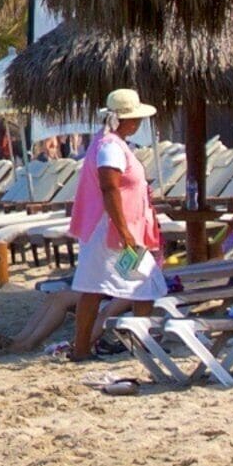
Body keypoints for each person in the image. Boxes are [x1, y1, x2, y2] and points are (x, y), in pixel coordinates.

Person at [66, 89, 170, 363]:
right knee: (137, 282)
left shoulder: (112, 143)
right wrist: (123, 231)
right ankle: (126, 343)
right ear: (124, 120)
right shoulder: (110, 146)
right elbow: (109, 186)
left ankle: (93, 347)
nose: (137, 123)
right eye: (134, 118)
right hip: (111, 231)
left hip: (116, 229)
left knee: (116, 284)